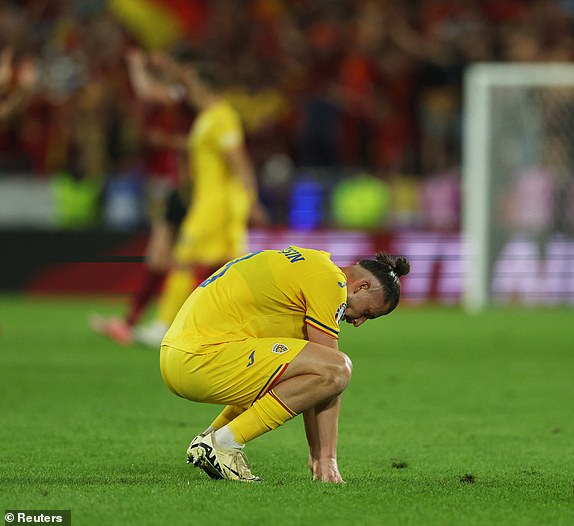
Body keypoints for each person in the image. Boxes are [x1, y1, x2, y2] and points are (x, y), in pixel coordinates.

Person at [160, 245, 410, 483]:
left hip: (179, 355)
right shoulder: (329, 282)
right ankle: (224, 444)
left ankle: (211, 439)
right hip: (200, 358)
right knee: (338, 368)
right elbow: (330, 374)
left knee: (302, 369)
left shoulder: (308, 265)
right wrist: (326, 458)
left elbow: (313, 380)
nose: (359, 322)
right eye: (367, 313)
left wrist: (318, 454)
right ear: (362, 286)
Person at [126, 49, 267, 347]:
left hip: (216, 205)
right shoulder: (209, 118)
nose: (187, 93)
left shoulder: (222, 117)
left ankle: (163, 325)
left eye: (192, 87)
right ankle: (247, 327)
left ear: (203, 86)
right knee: (229, 268)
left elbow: (238, 160)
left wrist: (251, 200)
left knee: (183, 261)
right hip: (210, 201)